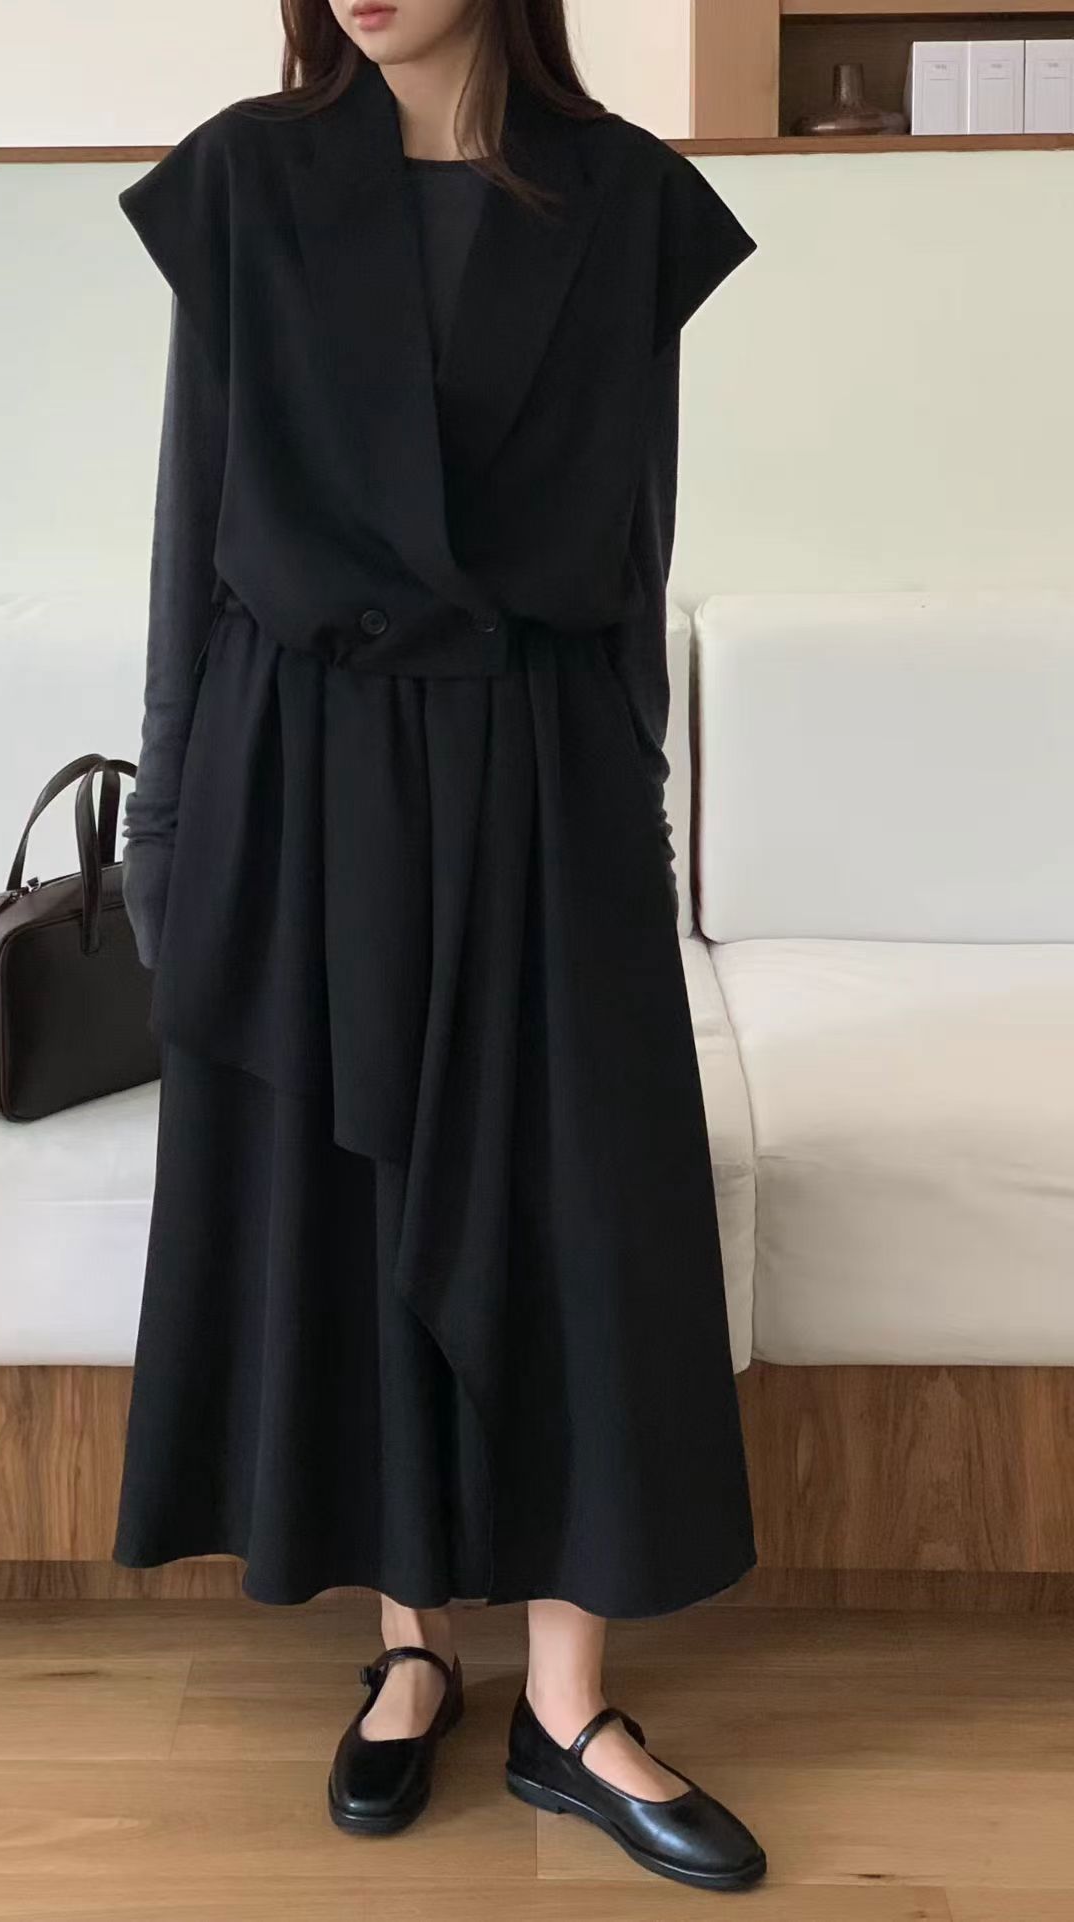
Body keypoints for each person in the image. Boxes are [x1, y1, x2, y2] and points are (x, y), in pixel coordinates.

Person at [114, 0, 766, 1893]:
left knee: (577, 1212)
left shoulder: (623, 199)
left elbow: (635, 545)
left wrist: (637, 813)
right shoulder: (246, 180)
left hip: (546, 769)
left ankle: (570, 1703)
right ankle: (414, 1644)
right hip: (297, 760)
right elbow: (191, 522)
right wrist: (166, 814)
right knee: (357, 1198)